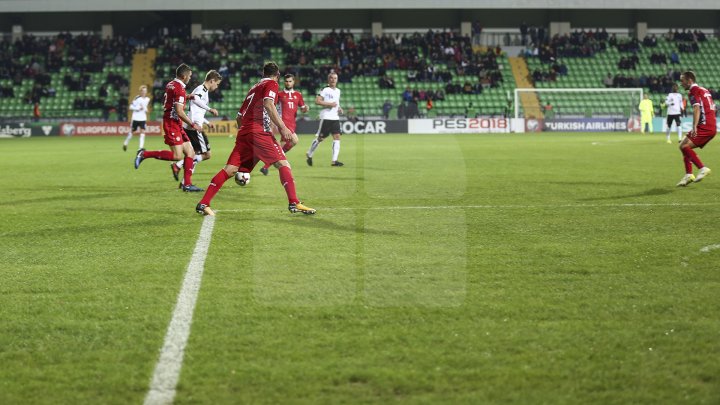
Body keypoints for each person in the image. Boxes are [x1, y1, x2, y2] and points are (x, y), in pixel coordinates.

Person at [195, 62, 315, 216]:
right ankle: (294, 202)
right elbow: (269, 104)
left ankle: (203, 203)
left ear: (262, 73)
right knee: (283, 164)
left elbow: (239, 116)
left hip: (245, 131)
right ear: (277, 75)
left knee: (230, 169)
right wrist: (283, 127)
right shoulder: (272, 84)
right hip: (259, 132)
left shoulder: (254, 87)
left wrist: (246, 133)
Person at [134, 63, 204, 192]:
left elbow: (173, 101)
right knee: (177, 156)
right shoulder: (180, 89)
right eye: (189, 76)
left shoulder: (171, 84)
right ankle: (144, 154)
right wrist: (193, 124)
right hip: (172, 124)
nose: (190, 78)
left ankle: (187, 184)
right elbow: (179, 111)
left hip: (175, 123)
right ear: (183, 76)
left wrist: (187, 97)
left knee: (190, 152)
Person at [171, 70, 221, 183]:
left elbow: (196, 111)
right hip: (194, 127)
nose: (217, 87)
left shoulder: (202, 90)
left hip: (191, 125)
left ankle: (182, 176)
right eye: (217, 84)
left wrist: (207, 123)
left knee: (194, 154)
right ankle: (179, 168)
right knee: (206, 154)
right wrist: (210, 109)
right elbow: (196, 99)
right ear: (212, 81)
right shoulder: (201, 90)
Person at [259, 73, 309, 176]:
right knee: (295, 140)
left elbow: (303, 108)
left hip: (292, 123)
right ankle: (270, 164)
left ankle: (266, 166)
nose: (288, 83)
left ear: (293, 82)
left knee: (281, 147)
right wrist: (273, 122)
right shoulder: (280, 94)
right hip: (283, 123)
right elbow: (271, 107)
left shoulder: (298, 95)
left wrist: (305, 109)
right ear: (284, 82)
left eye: (290, 81)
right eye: (286, 81)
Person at [676, 71, 716, 186]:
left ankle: (702, 168)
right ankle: (689, 175)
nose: (681, 83)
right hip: (709, 124)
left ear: (690, 81)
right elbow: (713, 107)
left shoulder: (693, 91)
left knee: (684, 146)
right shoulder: (704, 90)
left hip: (705, 126)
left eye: (682, 81)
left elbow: (696, 108)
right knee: (682, 145)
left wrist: (694, 127)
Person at [306, 72, 344, 167]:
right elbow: (317, 101)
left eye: (335, 78)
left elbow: (336, 103)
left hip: (335, 117)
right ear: (328, 79)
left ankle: (334, 161)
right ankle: (309, 153)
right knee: (320, 138)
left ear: (337, 79)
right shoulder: (325, 89)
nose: (333, 80)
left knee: (337, 137)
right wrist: (330, 104)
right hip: (326, 117)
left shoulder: (338, 91)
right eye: (331, 78)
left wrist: (339, 108)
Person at [123, 85, 151, 152]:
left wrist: (146, 110)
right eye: (143, 91)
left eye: (145, 91)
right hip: (135, 118)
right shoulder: (137, 98)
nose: (144, 92)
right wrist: (138, 108)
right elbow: (130, 107)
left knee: (143, 132)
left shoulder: (147, 99)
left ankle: (140, 148)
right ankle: (125, 143)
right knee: (132, 132)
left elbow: (145, 108)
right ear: (140, 91)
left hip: (143, 118)